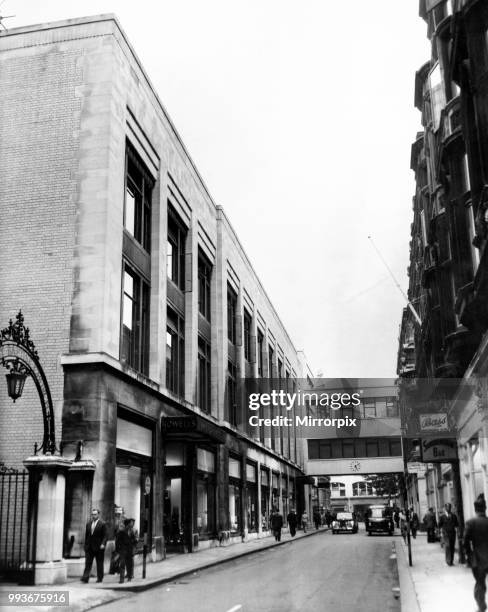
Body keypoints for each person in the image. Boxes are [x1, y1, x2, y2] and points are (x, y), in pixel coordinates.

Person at [464, 495, 488, 612]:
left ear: (475, 509)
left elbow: (465, 541)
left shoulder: (470, 523)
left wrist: (470, 555)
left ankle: (481, 606)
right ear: (485, 508)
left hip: (477, 559)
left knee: (480, 583)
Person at [81, 508, 108, 583]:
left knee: (99, 563)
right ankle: (85, 578)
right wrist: (86, 545)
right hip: (90, 547)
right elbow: (87, 535)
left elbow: (105, 536)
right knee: (88, 563)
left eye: (95, 514)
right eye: (92, 514)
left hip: (99, 547)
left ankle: (100, 578)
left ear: (98, 514)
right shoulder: (88, 524)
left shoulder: (102, 524)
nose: (93, 516)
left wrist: (103, 544)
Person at [115, 518, 138, 583]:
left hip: (129, 550)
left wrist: (134, 541)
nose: (132, 524)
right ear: (127, 524)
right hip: (123, 550)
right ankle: (121, 579)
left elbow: (134, 540)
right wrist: (118, 550)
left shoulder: (132, 531)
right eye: (130, 523)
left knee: (129, 564)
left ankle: (129, 577)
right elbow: (117, 541)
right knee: (122, 564)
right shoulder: (121, 531)